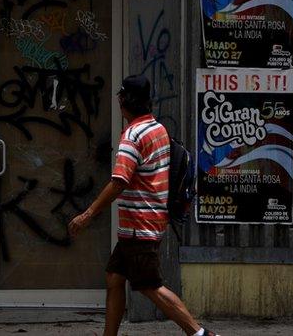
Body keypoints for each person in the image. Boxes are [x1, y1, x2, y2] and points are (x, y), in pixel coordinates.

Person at [69, 75, 217, 336]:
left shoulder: (133, 136)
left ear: (123, 101)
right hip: (142, 225)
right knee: (114, 279)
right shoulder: (157, 128)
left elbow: (118, 182)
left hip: (140, 227)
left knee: (151, 286)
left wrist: (88, 214)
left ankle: (199, 333)